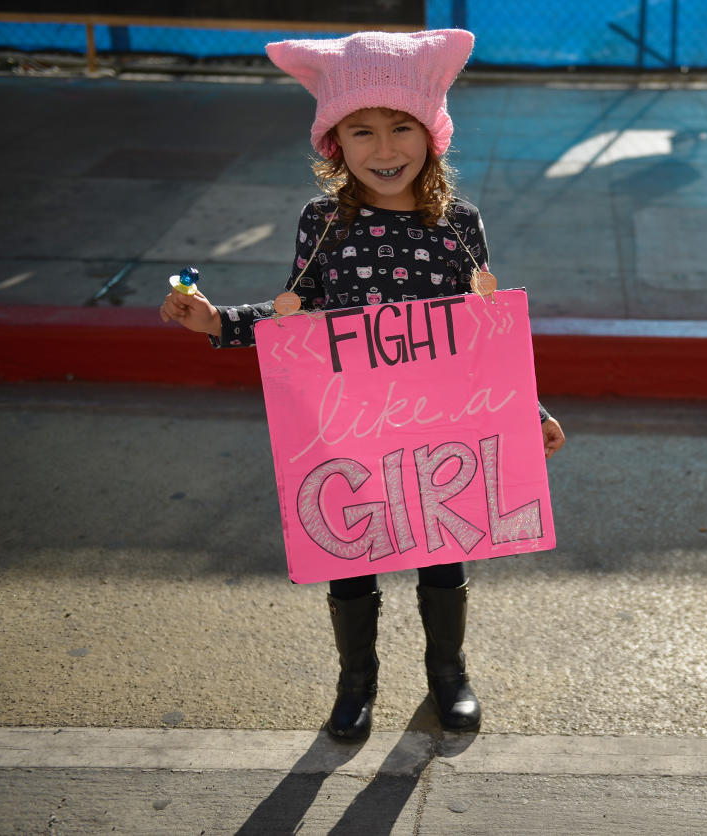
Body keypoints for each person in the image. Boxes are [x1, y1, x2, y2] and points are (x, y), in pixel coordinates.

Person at [159, 29, 566, 741]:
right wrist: (217, 321)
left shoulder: (459, 227)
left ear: (432, 134)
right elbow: (297, 320)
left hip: (439, 429)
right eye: (362, 129)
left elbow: (483, 342)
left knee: (443, 554)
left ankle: (450, 676)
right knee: (350, 562)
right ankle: (357, 687)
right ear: (334, 142)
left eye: (401, 126)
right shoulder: (323, 223)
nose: (384, 149)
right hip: (349, 431)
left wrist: (527, 410)